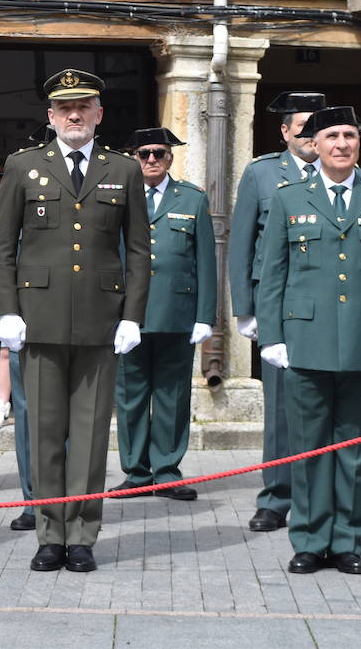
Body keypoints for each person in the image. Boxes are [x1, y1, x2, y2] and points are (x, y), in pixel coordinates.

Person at [0, 68, 150, 574]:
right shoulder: (23, 166)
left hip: (101, 323)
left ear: (99, 114)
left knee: (88, 434)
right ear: (51, 116)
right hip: (38, 320)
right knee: (44, 431)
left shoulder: (122, 169)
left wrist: (132, 316)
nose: (74, 115)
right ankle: (49, 532)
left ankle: (82, 534)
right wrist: (8, 310)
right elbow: (2, 249)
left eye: (83, 107)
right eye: (65, 108)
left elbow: (140, 251)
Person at [256, 105, 361, 576]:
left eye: (350, 135)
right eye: (333, 136)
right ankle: (308, 539)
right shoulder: (288, 199)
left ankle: (347, 542)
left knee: (356, 449)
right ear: (315, 145)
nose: (342, 144)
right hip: (304, 340)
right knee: (308, 448)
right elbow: (271, 274)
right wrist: (272, 335)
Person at [227, 90, 326, 534]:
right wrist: (244, 310)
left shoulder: (344, 174)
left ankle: (319, 497)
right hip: (279, 306)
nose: (310, 136)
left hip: (327, 306)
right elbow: (242, 242)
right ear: (284, 132)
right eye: (301, 127)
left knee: (325, 405)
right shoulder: (264, 173)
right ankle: (277, 497)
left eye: (316, 126)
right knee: (282, 409)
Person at [113, 127, 215, 501]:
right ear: (134, 158)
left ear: (170, 157)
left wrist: (206, 315)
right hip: (129, 314)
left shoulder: (192, 199)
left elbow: (206, 260)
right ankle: (136, 472)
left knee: (172, 395)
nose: (152, 159)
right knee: (131, 394)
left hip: (176, 312)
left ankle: (168, 471)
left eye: (159, 153)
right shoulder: (119, 199)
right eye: (144, 154)